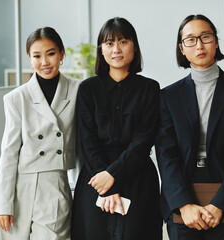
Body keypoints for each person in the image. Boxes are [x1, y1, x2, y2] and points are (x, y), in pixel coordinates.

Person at [155, 14, 224, 240]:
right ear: (182, 49)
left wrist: (220, 205)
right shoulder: (168, 97)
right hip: (182, 192)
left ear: (216, 41)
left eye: (205, 37)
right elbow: (166, 155)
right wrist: (184, 205)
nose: (199, 45)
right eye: (190, 40)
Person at [70, 17, 162, 240]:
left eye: (123, 41)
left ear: (134, 46)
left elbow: (143, 140)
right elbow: (87, 141)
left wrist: (113, 175)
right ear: (101, 50)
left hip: (138, 177)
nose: (116, 49)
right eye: (109, 43)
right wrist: (106, 183)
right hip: (95, 178)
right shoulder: (88, 89)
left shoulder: (150, 88)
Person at [0, 27, 81, 240]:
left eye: (50, 54)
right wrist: (3, 203)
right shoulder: (16, 98)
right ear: (29, 59)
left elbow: (83, 145)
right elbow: (9, 153)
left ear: (61, 54)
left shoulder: (79, 90)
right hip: (19, 189)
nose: (44, 62)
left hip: (54, 185)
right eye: (37, 56)